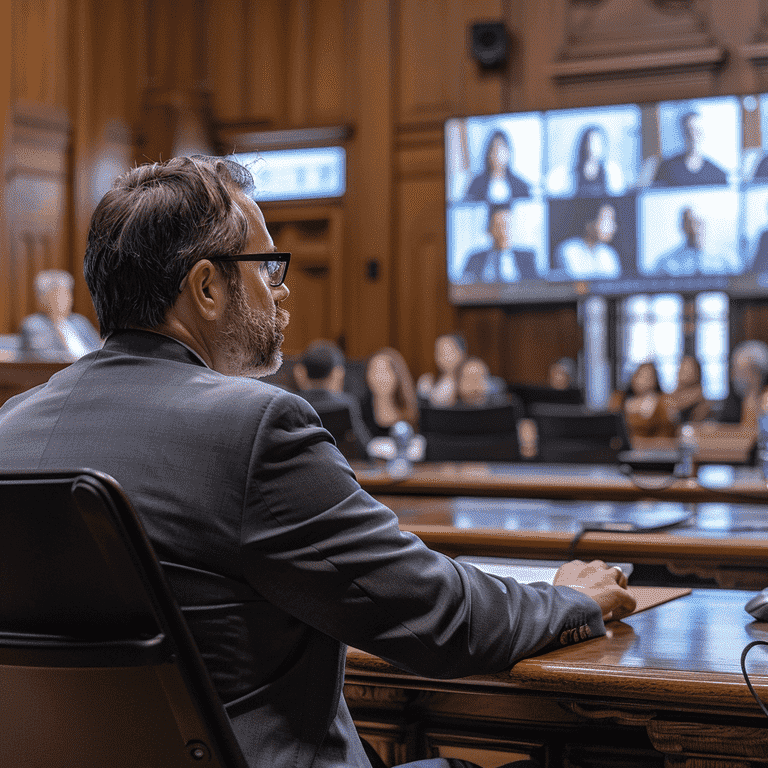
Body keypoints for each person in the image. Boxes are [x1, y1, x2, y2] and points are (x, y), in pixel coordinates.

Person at [0, 156, 634, 768]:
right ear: (207, 286)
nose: (280, 290)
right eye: (269, 266)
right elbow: (438, 617)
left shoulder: (9, 431)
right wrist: (568, 600)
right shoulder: (254, 428)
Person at [293, 339, 373, 457]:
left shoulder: (293, 403)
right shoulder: (347, 404)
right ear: (337, 373)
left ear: (302, 372)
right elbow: (365, 448)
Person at [19, 269, 101, 360]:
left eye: (67, 294)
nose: (64, 300)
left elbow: (100, 349)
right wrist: (79, 361)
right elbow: (43, 357)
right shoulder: (33, 325)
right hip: (64, 371)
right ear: (42, 299)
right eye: (57, 295)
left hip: (93, 369)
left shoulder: (80, 321)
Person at [461, 204, 539, 283]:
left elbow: (537, 287)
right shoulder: (475, 258)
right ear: (489, 230)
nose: (504, 232)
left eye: (507, 226)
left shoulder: (526, 258)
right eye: (499, 227)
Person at [652, 207, 738, 276]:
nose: (694, 229)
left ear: (705, 224)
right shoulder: (666, 263)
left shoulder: (725, 260)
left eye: (698, 223)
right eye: (690, 223)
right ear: (682, 227)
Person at [653, 111, 728, 187]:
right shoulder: (666, 169)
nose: (693, 137)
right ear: (683, 133)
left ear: (703, 134)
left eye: (697, 131)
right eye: (689, 131)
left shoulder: (717, 174)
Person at [363, 346, 420, 436]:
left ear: (397, 376)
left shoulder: (414, 413)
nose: (379, 378)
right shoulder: (359, 413)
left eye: (384, 372)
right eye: (374, 371)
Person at [610, 361, 676, 439]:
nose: (643, 381)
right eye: (640, 376)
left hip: (653, 448)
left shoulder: (663, 402)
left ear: (655, 381)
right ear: (633, 377)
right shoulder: (619, 399)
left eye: (648, 377)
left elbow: (668, 434)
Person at [555, 201, 621, 280]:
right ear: (589, 223)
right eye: (605, 221)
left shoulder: (609, 253)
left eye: (612, 221)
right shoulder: (569, 249)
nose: (612, 227)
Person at [464, 129, 531, 204]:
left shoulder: (520, 186)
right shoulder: (477, 184)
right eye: (494, 150)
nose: (497, 154)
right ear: (488, 154)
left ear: (508, 153)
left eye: (501, 150)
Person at [416, 333, 467, 407]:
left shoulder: (471, 381)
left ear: (462, 354)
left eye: (448, 353)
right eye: (439, 352)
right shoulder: (427, 381)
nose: (442, 357)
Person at [666, 355, 711, 424]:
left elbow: (696, 425)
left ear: (697, 373)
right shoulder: (671, 396)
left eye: (689, 368)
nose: (685, 372)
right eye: (683, 367)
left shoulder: (701, 400)